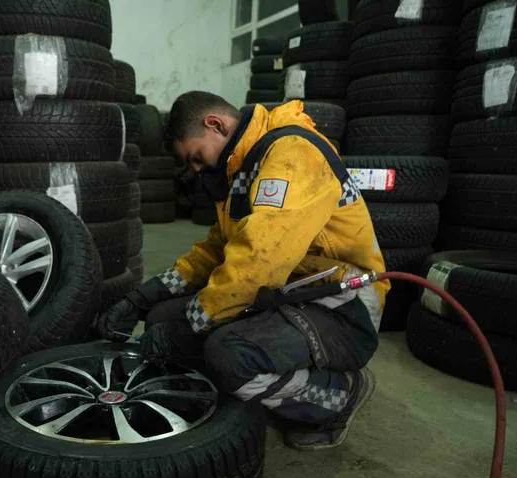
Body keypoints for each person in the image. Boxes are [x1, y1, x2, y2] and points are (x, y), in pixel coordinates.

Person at [97, 91, 390, 450]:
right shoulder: (242, 170)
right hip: (287, 290)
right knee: (161, 318)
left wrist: (191, 325)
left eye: (197, 158)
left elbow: (257, 262)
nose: (197, 170)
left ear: (216, 125)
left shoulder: (292, 154)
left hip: (342, 299)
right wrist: (144, 296)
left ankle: (339, 396)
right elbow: (216, 251)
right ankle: (257, 375)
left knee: (230, 356)